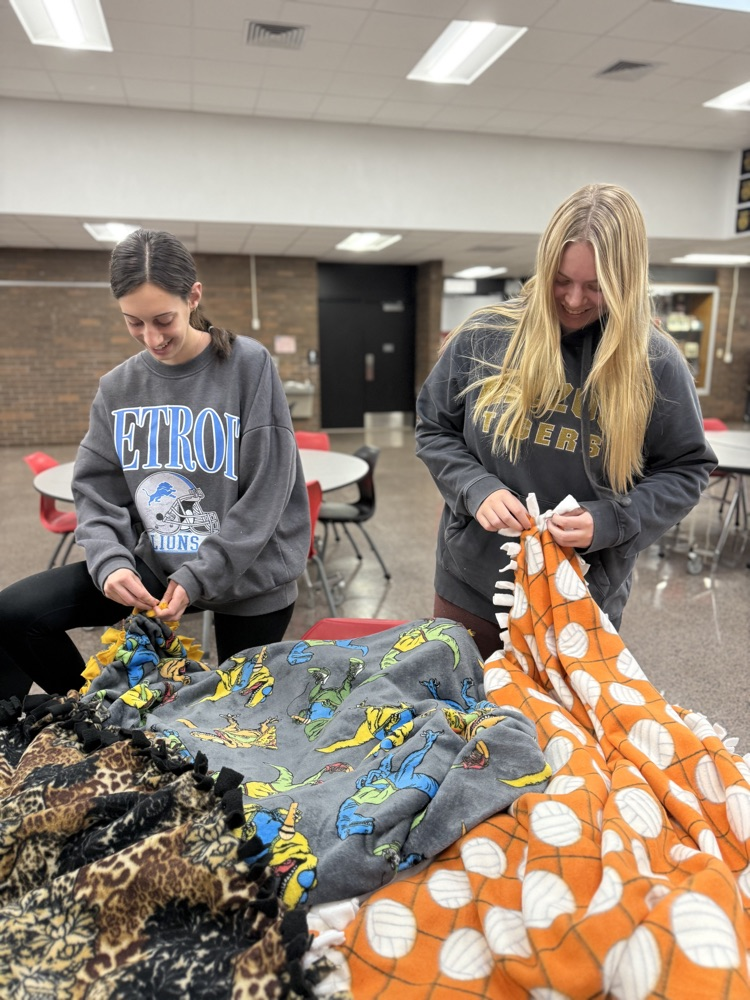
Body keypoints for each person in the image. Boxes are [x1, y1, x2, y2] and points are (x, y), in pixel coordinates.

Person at [0, 229, 310, 700]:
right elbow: (96, 490)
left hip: (250, 575)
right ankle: (92, 712)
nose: (152, 337)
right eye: (134, 323)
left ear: (193, 297)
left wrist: (199, 575)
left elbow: (266, 494)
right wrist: (109, 564)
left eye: (163, 319)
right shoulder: (118, 387)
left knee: (236, 719)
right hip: (159, 567)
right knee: (15, 614)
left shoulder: (249, 365)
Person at [415, 183, 717, 660]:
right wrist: (476, 487)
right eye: (561, 280)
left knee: (562, 733)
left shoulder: (655, 362)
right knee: (463, 720)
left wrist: (611, 521)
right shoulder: (484, 336)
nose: (574, 300)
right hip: (472, 585)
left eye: (596, 286)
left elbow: (686, 468)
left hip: (582, 596)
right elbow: (435, 429)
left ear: (626, 281)